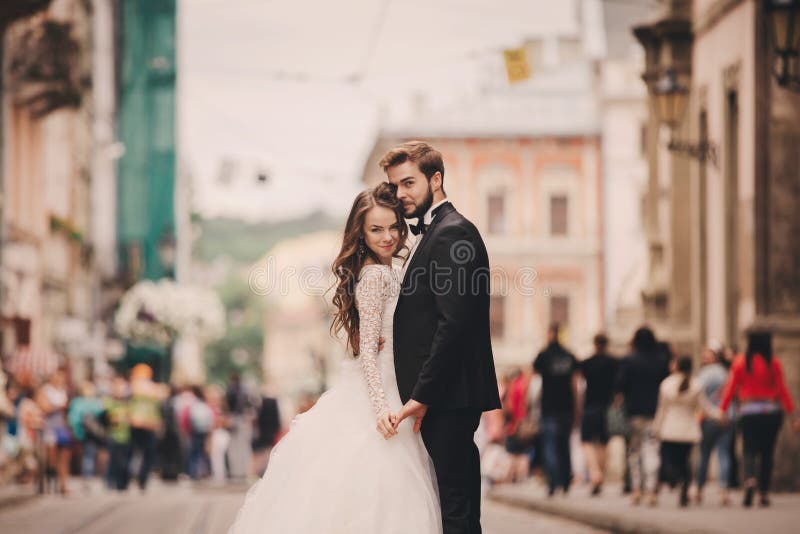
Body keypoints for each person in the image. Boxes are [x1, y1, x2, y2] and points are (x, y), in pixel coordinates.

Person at [228, 182, 442, 533]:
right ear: (361, 233)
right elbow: (368, 354)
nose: (387, 236)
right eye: (376, 229)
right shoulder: (375, 276)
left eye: (392, 227)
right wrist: (380, 409)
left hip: (392, 385)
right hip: (383, 393)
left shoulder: (388, 269)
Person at [385, 141, 501, 534]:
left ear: (435, 179)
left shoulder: (453, 233)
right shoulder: (437, 231)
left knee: (457, 511)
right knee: (453, 508)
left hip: (448, 398)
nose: (400, 195)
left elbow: (453, 324)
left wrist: (422, 395)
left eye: (408, 183)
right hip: (444, 397)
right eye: (395, 186)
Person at [719, 331, 799, 507]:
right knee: (767, 452)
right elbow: (782, 389)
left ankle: (749, 481)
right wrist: (793, 415)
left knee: (749, 449)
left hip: (748, 412)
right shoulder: (774, 363)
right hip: (771, 413)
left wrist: (722, 410)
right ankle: (763, 492)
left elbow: (731, 388)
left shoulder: (741, 363)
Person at [653, 356, 722, 507]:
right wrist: (719, 415)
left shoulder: (666, 384)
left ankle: (674, 479)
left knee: (669, 461)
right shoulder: (696, 384)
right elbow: (705, 407)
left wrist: (656, 428)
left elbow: (662, 409)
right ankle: (684, 485)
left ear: (676, 366)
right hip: (689, 430)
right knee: (685, 462)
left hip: (670, 429)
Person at [615, 326, 670, 506]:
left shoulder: (628, 360)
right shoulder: (661, 360)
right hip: (656, 412)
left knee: (634, 452)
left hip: (634, 413)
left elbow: (620, 385)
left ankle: (637, 489)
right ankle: (652, 488)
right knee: (652, 450)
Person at [533, 323, 580, 497]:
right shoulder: (569, 356)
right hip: (566, 407)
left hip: (549, 407)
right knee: (564, 446)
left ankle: (553, 483)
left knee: (551, 447)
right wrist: (577, 408)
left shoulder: (544, 355)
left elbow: (535, 374)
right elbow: (575, 385)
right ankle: (565, 482)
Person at [578, 333, 619, 495]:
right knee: (603, 443)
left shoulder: (586, 363)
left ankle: (595, 472)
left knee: (586, 442)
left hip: (590, 406)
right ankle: (599, 474)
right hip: (607, 407)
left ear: (595, 344)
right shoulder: (614, 363)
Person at [695, 346, 734, 506]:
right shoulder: (726, 373)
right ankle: (724, 489)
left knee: (704, 454)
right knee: (723, 454)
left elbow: (697, 396)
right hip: (726, 416)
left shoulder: (703, 375)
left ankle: (699, 489)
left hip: (709, 418)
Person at [128, 364, 167, 491]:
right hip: (148, 424)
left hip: (137, 423)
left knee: (136, 452)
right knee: (147, 453)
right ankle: (141, 478)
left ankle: (133, 476)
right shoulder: (152, 388)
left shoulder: (132, 386)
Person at [36, 368, 72, 495]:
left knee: (65, 456)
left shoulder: (63, 391)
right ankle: (50, 478)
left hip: (61, 425)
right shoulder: (45, 390)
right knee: (51, 457)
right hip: (49, 425)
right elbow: (43, 407)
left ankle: (63, 484)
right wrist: (57, 407)